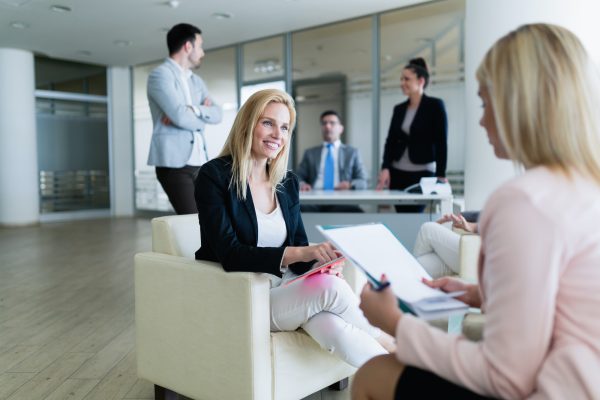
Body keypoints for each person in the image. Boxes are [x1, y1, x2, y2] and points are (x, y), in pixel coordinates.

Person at [353, 23, 600, 399]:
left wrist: (397, 324)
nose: (482, 120)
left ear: (518, 104)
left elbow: (505, 376)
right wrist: (478, 294)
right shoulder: (585, 187)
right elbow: (569, 297)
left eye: (485, 103)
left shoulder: (523, 201)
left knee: (373, 374)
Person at [194, 89, 395, 368]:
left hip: (289, 290)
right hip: (247, 295)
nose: (278, 134)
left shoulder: (286, 182)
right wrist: (300, 253)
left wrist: (321, 260)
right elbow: (230, 253)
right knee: (331, 289)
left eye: (285, 127)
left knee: (333, 329)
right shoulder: (214, 176)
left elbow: (299, 252)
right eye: (268, 123)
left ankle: (404, 382)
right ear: (247, 124)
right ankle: (395, 342)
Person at [147, 23, 222, 214]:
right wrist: (197, 117)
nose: (202, 52)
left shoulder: (196, 81)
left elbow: (218, 113)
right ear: (188, 47)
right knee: (193, 221)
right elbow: (180, 117)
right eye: (200, 46)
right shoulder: (160, 76)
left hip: (199, 162)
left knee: (210, 219)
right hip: (174, 165)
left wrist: (193, 110)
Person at [376, 57, 447, 213]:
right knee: (402, 215)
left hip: (423, 173)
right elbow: (391, 141)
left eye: (407, 79)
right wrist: (385, 168)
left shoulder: (435, 106)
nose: (402, 82)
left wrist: (441, 175)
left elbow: (441, 141)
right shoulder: (399, 109)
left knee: (415, 214)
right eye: (401, 79)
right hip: (397, 172)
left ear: (421, 81)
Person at [296, 110, 368, 212]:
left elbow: (363, 181)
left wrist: (350, 184)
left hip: (342, 200)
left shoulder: (352, 153)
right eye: (324, 123)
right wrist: (302, 184)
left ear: (341, 128)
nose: (327, 126)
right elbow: (297, 177)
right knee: (296, 210)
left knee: (353, 211)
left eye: (332, 123)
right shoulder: (310, 153)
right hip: (314, 200)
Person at [413, 212, 479, 278]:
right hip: (475, 259)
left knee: (427, 229)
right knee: (419, 266)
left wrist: (473, 227)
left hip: (480, 256)